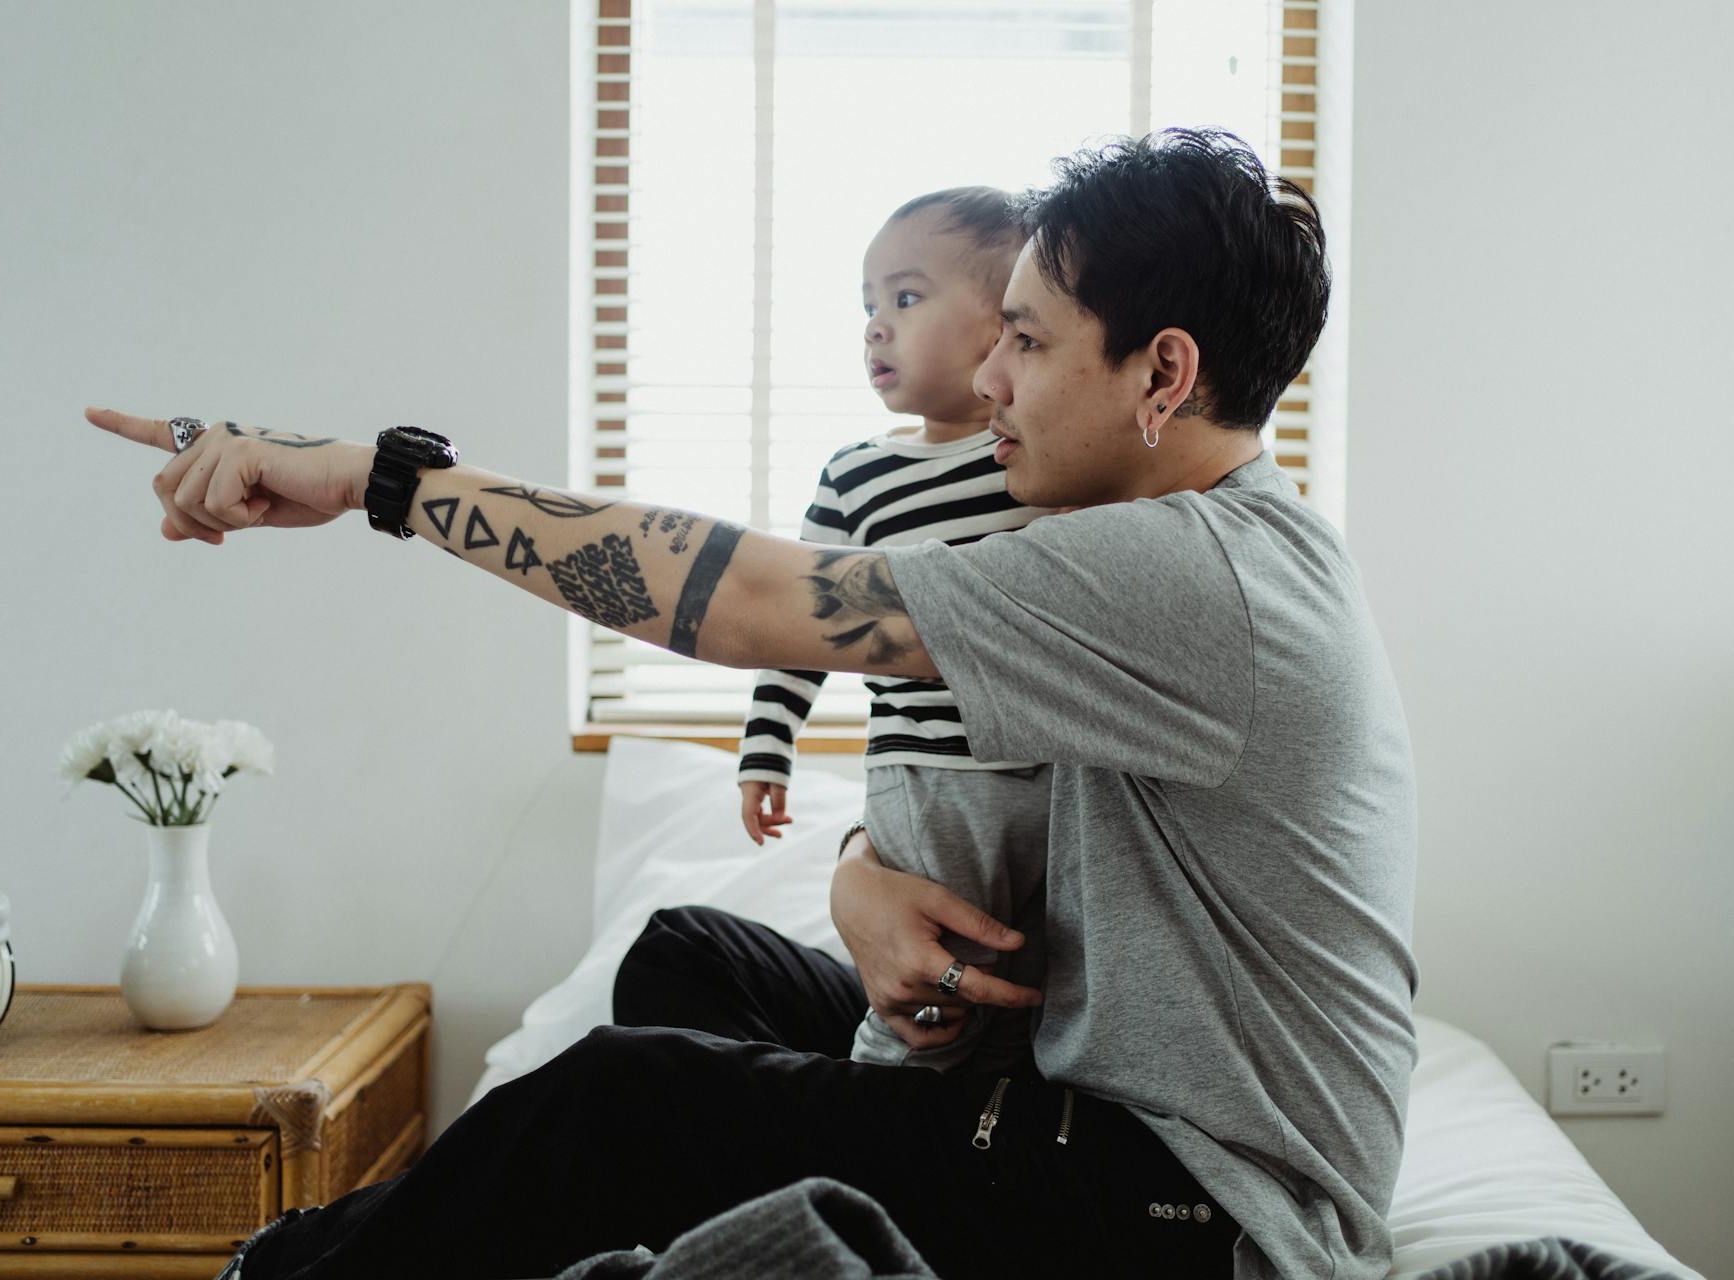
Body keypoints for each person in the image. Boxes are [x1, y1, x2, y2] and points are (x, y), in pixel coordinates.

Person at [93, 127, 1417, 1280]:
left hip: (1206, 1219)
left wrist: (383, 481)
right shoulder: (1176, 549)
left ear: (1163, 374)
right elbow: (970, 799)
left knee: (622, 1102)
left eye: (1026, 337)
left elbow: (752, 603)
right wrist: (855, 874)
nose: (993, 380)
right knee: (685, 955)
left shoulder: (1190, 573)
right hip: (1081, 1100)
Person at [737, 185, 1054, 1074]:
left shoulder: (1032, 456)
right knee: (930, 994)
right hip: (930, 777)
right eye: (869, 307)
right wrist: (767, 748)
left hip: (1053, 774)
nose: (876, 327)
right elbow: (792, 620)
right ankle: (875, 1086)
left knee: (1030, 982)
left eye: (906, 300)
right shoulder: (855, 477)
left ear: (1006, 325)